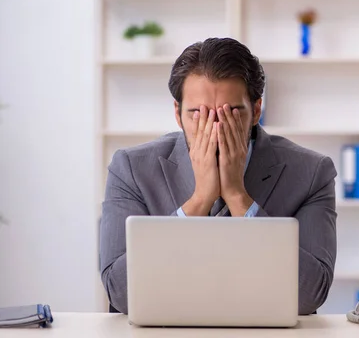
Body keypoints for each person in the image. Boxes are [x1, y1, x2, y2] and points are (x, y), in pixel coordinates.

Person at [99, 37, 338, 315]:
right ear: (177, 113)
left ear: (256, 110)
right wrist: (200, 200)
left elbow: (309, 295)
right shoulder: (131, 168)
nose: (213, 128)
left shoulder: (311, 172)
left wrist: (238, 197)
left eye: (231, 113)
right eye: (197, 114)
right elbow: (120, 294)